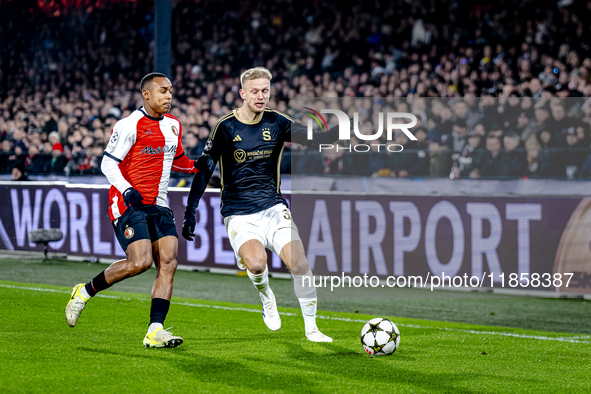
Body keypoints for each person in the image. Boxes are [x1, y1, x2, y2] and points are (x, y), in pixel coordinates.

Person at [182, 67, 341, 342]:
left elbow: (317, 140)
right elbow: (204, 171)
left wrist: (342, 129)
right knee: (256, 265)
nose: (260, 96)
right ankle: (267, 298)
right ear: (242, 93)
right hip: (239, 213)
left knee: (300, 265)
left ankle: (312, 329)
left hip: (272, 207)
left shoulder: (278, 122)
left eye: (265, 91)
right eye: (254, 91)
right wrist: (189, 211)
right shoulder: (225, 127)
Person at [65, 73, 198, 348]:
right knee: (140, 262)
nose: (169, 96)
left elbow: (179, 160)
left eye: (171, 91)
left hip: (159, 205)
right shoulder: (129, 125)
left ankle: (155, 330)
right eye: (163, 91)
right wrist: (126, 189)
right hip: (128, 203)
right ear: (146, 94)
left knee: (169, 262)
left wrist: (199, 165)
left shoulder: (174, 125)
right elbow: (107, 164)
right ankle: (85, 291)